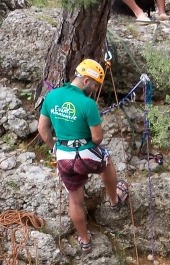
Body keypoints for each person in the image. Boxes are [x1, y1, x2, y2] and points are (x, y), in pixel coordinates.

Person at [38, 59, 130, 253]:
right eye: (95, 86)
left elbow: (42, 129)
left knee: (74, 199)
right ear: (86, 81)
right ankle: (114, 201)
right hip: (86, 153)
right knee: (107, 161)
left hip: (64, 154)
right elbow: (97, 138)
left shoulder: (51, 96)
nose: (95, 91)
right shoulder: (88, 104)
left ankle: (85, 240)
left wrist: (54, 148)